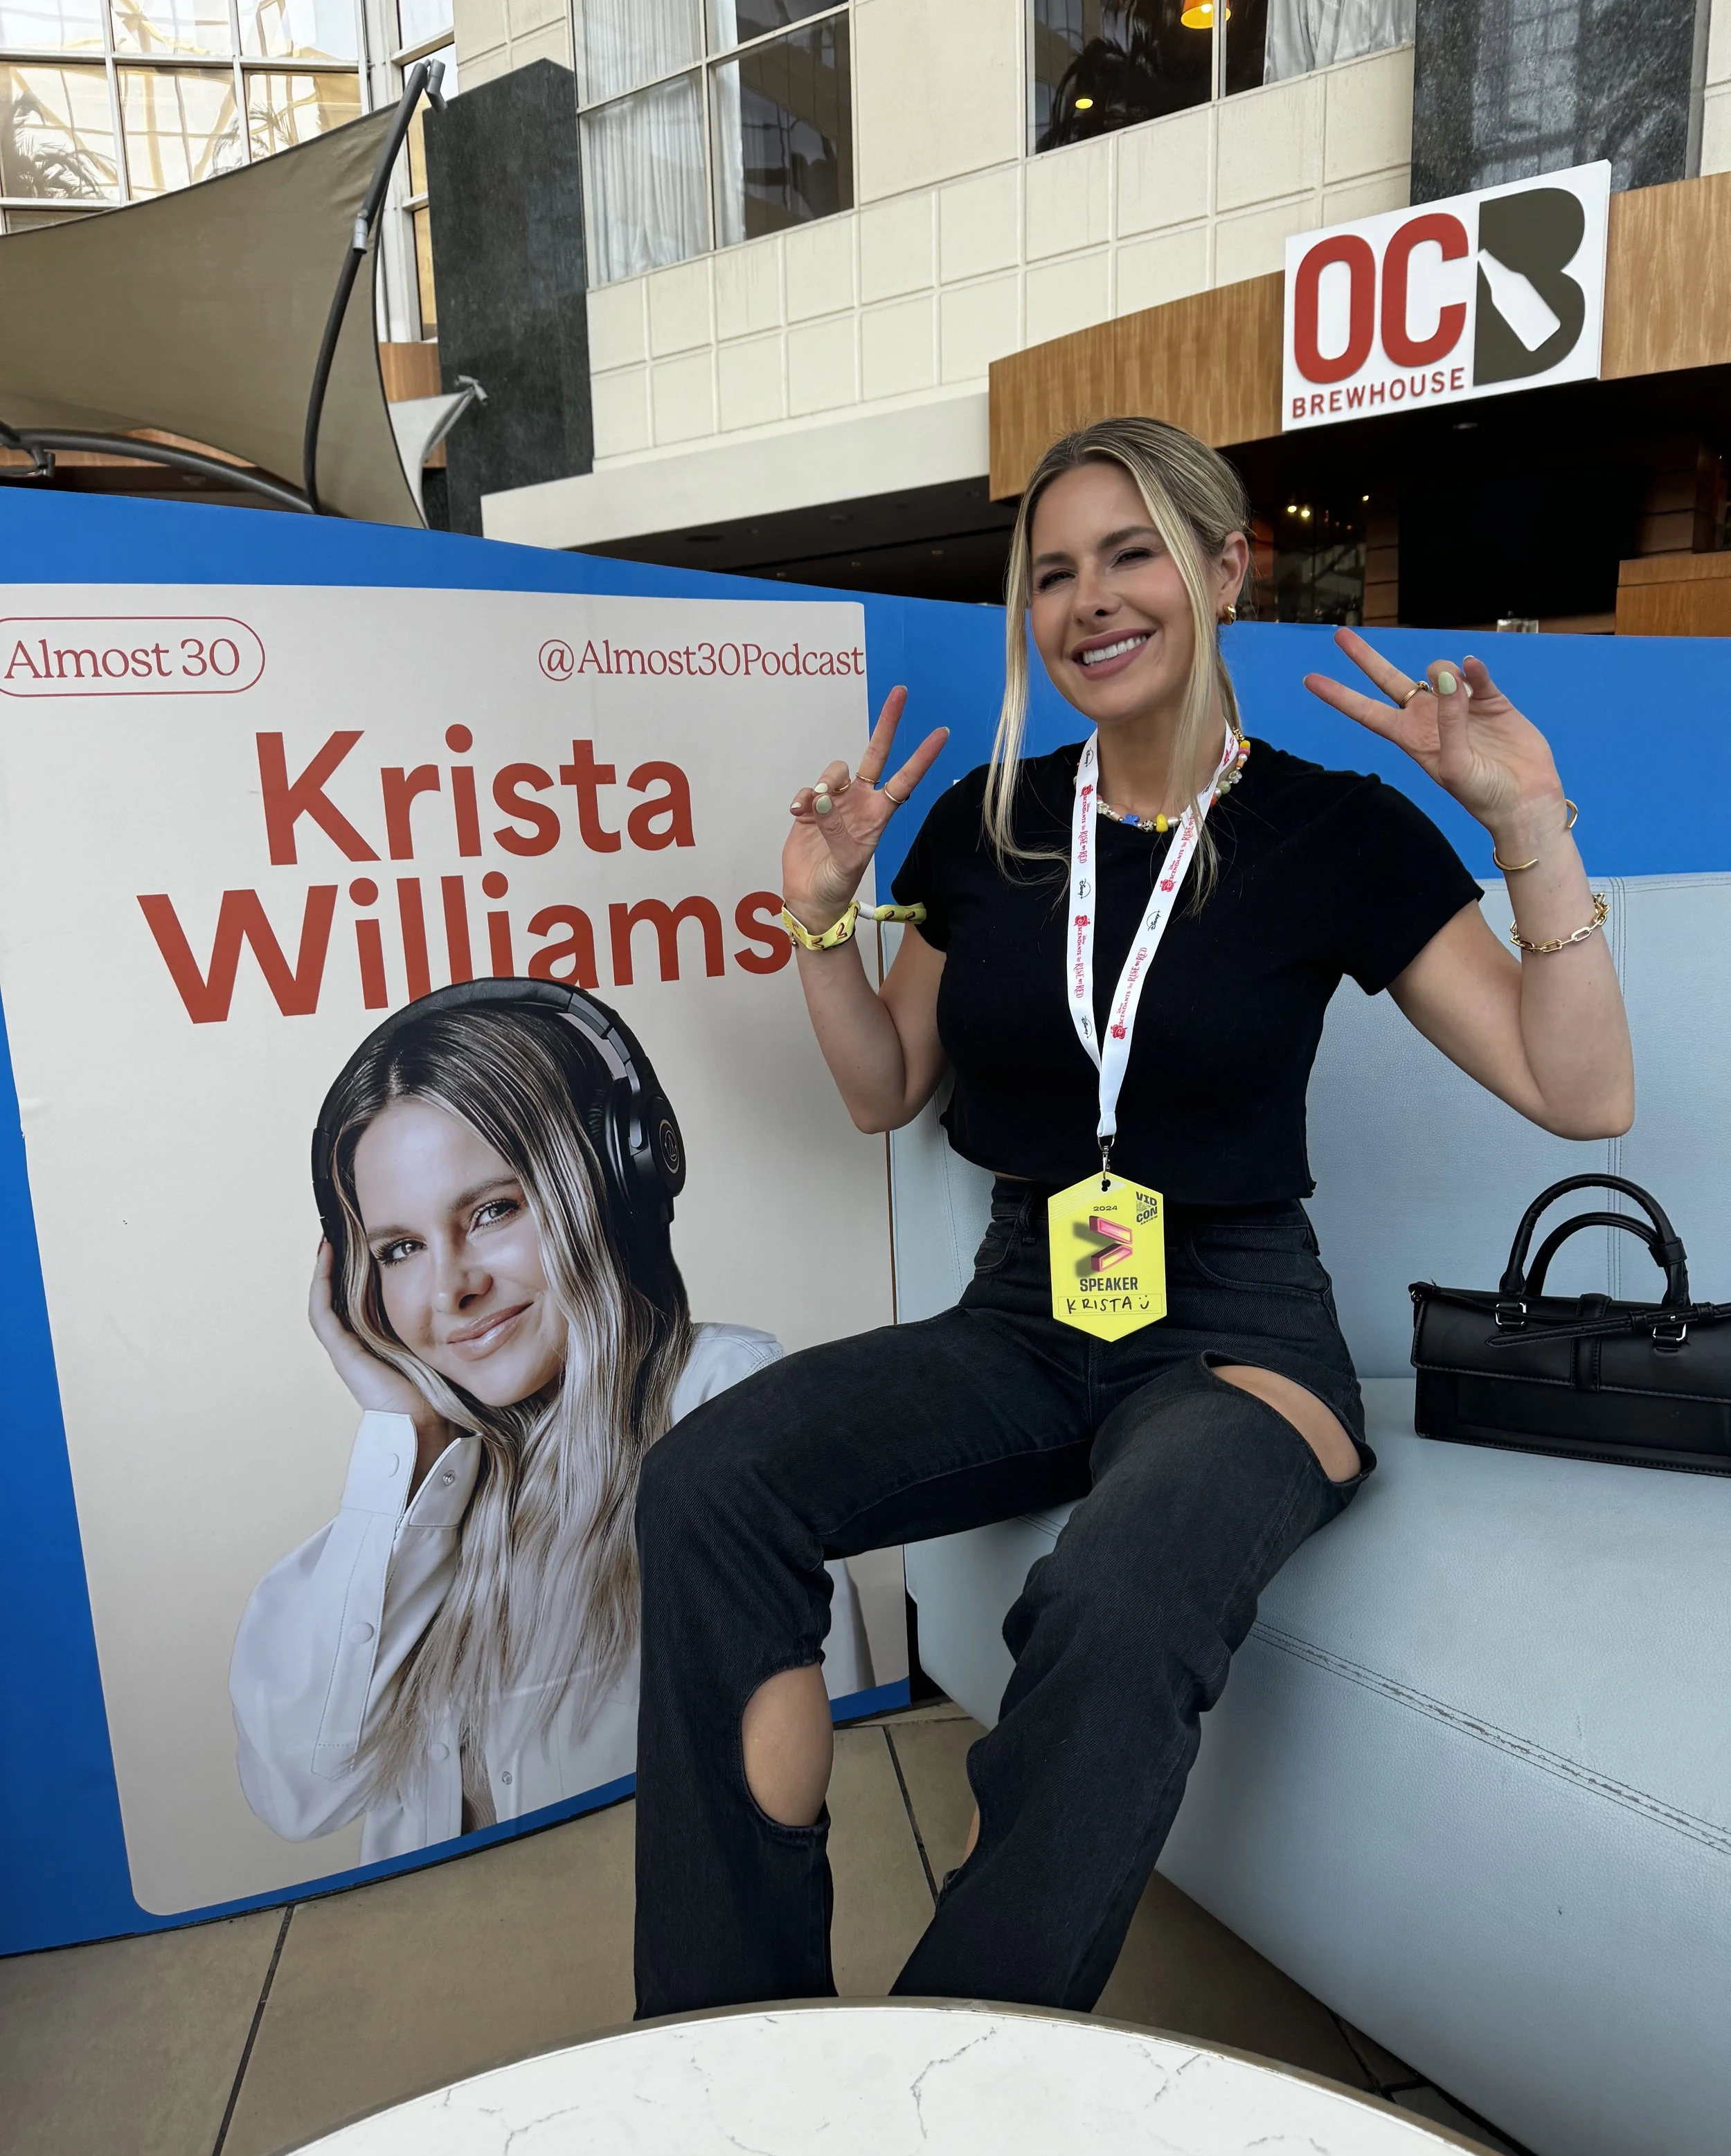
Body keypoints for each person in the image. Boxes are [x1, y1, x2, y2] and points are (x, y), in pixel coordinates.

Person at [631, 415, 1633, 2019]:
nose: (1089, 599)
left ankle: (958, 2088)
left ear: (1226, 568)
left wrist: (1524, 823)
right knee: (708, 1479)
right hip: (1026, 1308)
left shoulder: (1337, 833)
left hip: (1238, 1335)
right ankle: (720, 2043)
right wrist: (820, 928)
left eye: (1130, 553)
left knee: (1115, 1588)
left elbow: (1576, 1091)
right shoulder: (986, 825)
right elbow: (888, 1083)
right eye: (1051, 573)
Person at [230, 982, 872, 1861]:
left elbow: (829, 1806)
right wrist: (406, 1447)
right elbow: (300, 1791)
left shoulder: (727, 1407)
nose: (451, 1287)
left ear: (612, 1182)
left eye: (492, 1211)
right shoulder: (423, 1481)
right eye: (399, 1250)